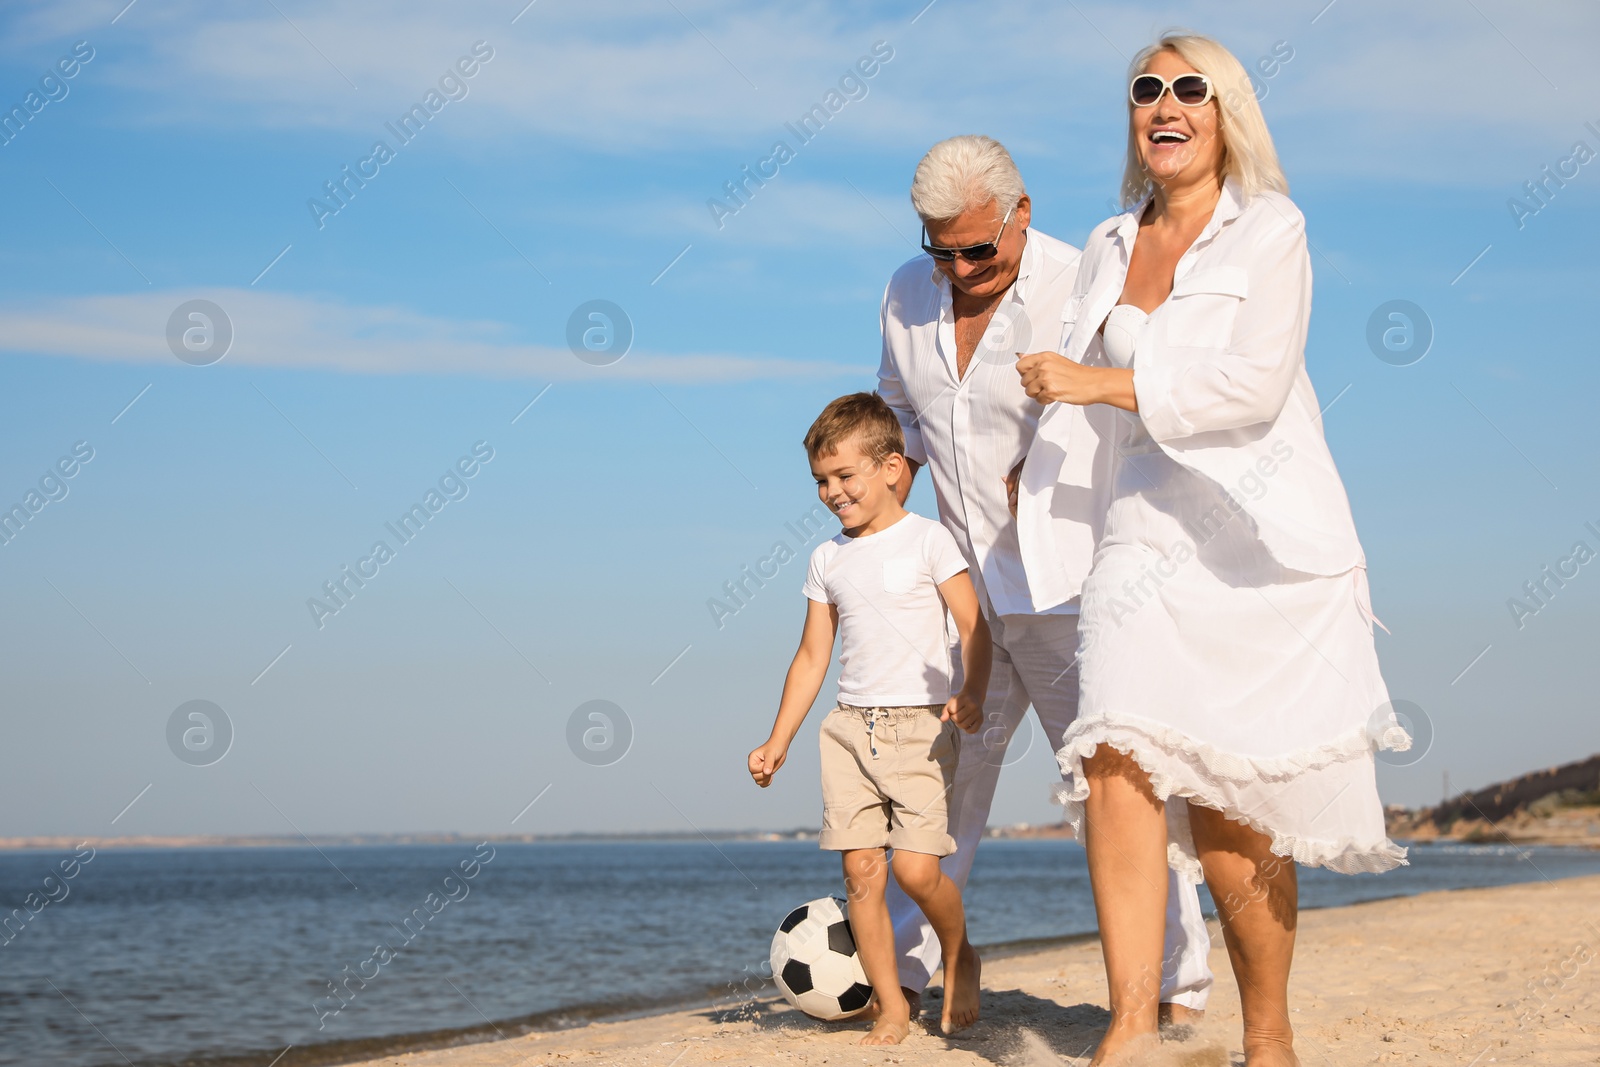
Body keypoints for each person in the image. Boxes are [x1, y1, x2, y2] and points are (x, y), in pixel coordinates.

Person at [1015, 33, 1410, 1066]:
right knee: (1112, 757)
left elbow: (1253, 387)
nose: (1164, 103)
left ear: (1225, 111)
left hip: (1256, 535)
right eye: (1146, 89)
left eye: (1190, 87)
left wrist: (1091, 383)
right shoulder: (1104, 242)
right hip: (1139, 518)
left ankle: (1268, 1034)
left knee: (1234, 805)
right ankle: (1130, 1026)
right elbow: (1053, 370)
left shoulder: (1271, 230)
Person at [877, 134, 1213, 1024]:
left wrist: (1057, 447)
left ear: (1021, 214)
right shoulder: (906, 294)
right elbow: (904, 414)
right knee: (937, 789)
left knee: (1118, 791)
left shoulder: (1085, 277)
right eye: (939, 250)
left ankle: (1175, 989)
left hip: (1074, 585)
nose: (958, 268)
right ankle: (909, 972)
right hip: (961, 598)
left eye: (978, 248)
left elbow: (1152, 392)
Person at [747, 392, 989, 1045]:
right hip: (850, 730)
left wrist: (972, 688)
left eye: (844, 475)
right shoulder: (827, 559)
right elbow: (810, 656)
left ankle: (960, 951)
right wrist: (779, 738)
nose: (832, 491)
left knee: (915, 870)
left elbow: (973, 624)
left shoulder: (929, 540)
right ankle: (892, 1004)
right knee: (860, 871)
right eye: (821, 480)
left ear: (890, 467)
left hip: (920, 729)